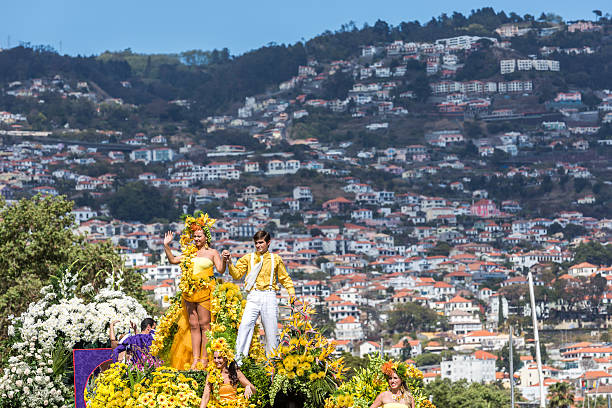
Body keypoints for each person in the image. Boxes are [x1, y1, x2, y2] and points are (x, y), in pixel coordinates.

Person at [222, 230, 295, 365]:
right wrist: (229, 263)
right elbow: (237, 275)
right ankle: (238, 362)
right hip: (253, 295)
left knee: (271, 331)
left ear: (268, 243)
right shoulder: (248, 258)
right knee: (245, 326)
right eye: (256, 243)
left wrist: (292, 294)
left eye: (261, 242)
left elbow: (284, 278)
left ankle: (272, 364)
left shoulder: (275, 259)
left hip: (269, 294)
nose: (258, 245)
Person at [163, 214, 226, 369]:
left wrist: (225, 259)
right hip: (189, 292)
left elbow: (220, 270)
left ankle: (204, 359)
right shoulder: (190, 252)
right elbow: (173, 260)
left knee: (205, 325)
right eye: (195, 236)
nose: (196, 239)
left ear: (206, 237)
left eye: (199, 236)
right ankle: (195, 359)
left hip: (205, 290)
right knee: (193, 325)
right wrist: (166, 245)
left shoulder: (212, 252)